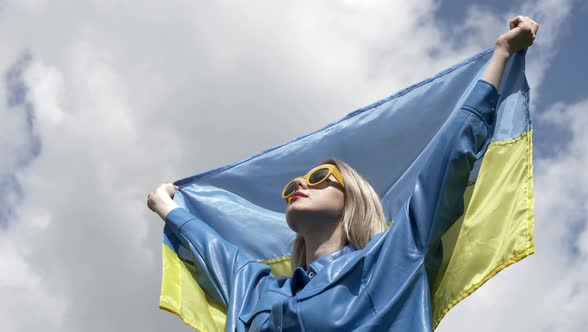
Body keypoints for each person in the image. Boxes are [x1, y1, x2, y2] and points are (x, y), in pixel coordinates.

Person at [147, 16, 539, 331]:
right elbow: (211, 248)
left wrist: (501, 55)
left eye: (319, 177)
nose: (299, 184)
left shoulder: (394, 257)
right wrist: (168, 208)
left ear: (353, 198)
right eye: (291, 186)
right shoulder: (255, 289)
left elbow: (449, 157)